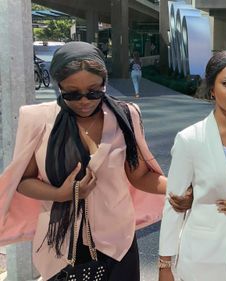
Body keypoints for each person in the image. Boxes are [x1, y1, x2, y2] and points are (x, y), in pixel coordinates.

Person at [0, 41, 190, 281]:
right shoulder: (37, 119)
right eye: (72, 93)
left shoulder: (126, 115)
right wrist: (61, 194)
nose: (84, 101)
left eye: (94, 91)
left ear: (104, 82)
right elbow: (23, 180)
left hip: (118, 242)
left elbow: (139, 175)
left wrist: (179, 187)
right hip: (63, 245)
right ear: (59, 86)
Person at [158, 51, 226, 281]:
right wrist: (164, 264)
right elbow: (173, 204)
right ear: (212, 89)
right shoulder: (190, 139)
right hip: (200, 255)